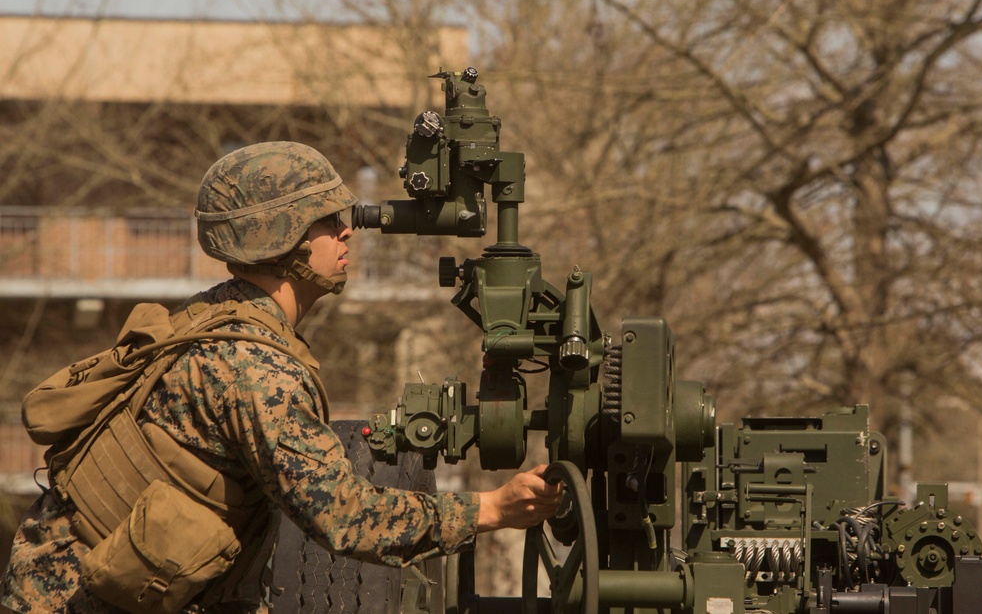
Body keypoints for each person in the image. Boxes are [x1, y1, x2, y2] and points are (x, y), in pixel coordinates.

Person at [0, 141, 562, 613]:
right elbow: (342, 517)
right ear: (280, 236)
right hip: (76, 598)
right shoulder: (258, 370)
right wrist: (491, 510)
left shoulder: (212, 314)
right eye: (327, 221)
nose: (346, 234)